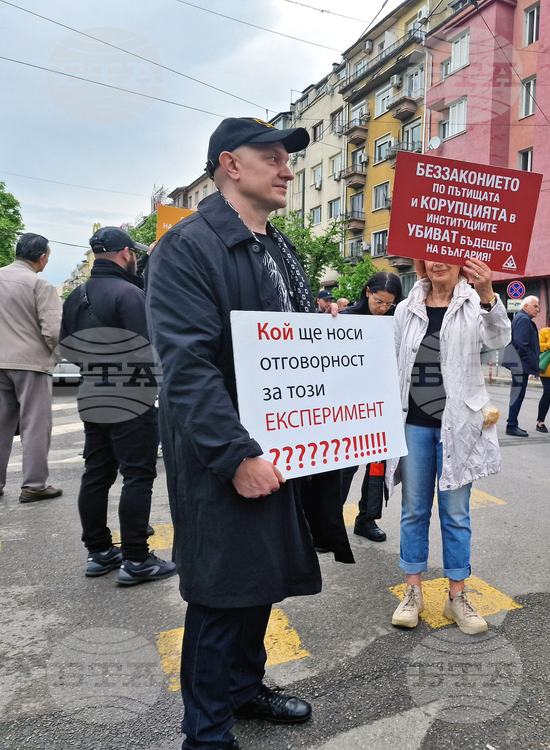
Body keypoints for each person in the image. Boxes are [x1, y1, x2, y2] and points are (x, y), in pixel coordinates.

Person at [147, 117, 348, 750]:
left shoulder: (276, 245)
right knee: (222, 589)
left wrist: (326, 330)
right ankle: (206, 733)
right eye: (273, 157)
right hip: (226, 453)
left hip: (281, 445)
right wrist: (236, 455)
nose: (287, 168)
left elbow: (284, 342)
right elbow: (186, 368)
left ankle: (243, 688)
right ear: (230, 165)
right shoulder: (187, 247)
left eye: (288, 158)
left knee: (258, 577)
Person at [387, 257, 510, 634]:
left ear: (461, 263)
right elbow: (385, 357)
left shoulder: (474, 304)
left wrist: (489, 293)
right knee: (413, 510)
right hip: (414, 425)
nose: (438, 261)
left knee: (456, 514)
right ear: (422, 262)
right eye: (430, 255)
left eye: (447, 254)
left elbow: (499, 339)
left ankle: (457, 596)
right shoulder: (406, 308)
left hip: (458, 427)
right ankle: (412, 592)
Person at [59, 226, 176, 584]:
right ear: (126, 253)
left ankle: (99, 552)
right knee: (137, 477)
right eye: (135, 254)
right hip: (131, 394)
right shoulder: (129, 293)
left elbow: (67, 348)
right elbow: (148, 347)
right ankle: (138, 559)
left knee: (97, 474)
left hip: (92, 391)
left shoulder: (76, 296)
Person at [0, 233, 63, 504]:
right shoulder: (39, 284)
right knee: (35, 426)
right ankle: (34, 485)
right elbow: (54, 331)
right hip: (31, 364)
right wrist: (56, 357)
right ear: (42, 257)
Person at [337, 271, 404, 542]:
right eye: (379, 301)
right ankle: (328, 524)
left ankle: (366, 519)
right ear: (367, 292)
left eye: (389, 303)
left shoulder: (394, 321)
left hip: (382, 405)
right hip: (348, 406)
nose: (383, 308)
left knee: (377, 467)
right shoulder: (346, 318)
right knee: (343, 469)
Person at [506, 295, 540, 437]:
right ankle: (512, 425)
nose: (538, 309)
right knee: (517, 395)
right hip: (520, 365)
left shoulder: (522, 318)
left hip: (519, 364)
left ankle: (512, 423)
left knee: (517, 394)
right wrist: (530, 363)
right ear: (525, 306)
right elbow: (521, 344)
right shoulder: (524, 319)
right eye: (535, 306)